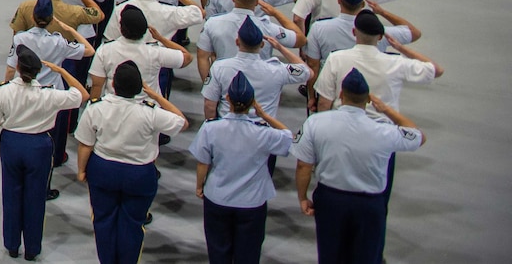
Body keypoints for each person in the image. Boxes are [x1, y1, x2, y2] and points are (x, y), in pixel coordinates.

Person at [294, 69, 425, 264]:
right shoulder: (384, 132)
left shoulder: (315, 123)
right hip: (369, 205)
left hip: (331, 200)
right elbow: (417, 136)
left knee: (330, 255)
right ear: (368, 100)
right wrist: (386, 110)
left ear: (341, 95)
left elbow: (304, 165)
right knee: (366, 257)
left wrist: (303, 197)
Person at [74, 60, 188, 264]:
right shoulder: (150, 112)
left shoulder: (96, 108)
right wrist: (155, 95)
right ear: (139, 88)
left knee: (103, 221)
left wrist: (82, 170)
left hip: (104, 169)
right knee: (133, 223)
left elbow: (86, 144)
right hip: (139, 173)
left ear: (113, 85)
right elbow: (182, 122)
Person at [0, 45, 90, 262]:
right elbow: (83, 95)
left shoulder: (3, 90)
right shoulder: (50, 94)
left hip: (12, 143)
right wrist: (62, 71)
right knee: (35, 198)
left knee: (11, 194)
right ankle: (32, 249)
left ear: (17, 67)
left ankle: (12, 245)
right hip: (39, 146)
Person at [192, 71, 295, 264]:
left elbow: (202, 162)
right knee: (248, 254)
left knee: (218, 251)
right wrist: (264, 115)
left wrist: (200, 186)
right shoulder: (264, 133)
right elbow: (289, 137)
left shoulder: (211, 128)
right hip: (251, 201)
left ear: (227, 98)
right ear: (252, 102)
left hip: (218, 197)